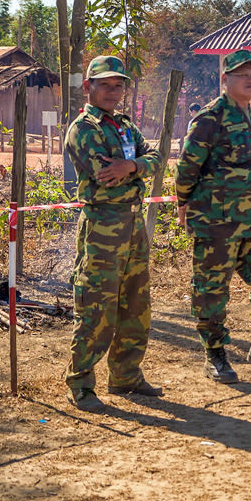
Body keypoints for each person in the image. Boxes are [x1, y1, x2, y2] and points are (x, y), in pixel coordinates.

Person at [176, 49, 251, 383]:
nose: (250, 80)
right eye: (242, 74)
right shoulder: (211, 118)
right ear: (224, 79)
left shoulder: (248, 117)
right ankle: (214, 355)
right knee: (212, 292)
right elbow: (188, 166)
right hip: (217, 224)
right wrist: (183, 204)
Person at [63, 56, 164, 412]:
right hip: (102, 226)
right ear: (88, 86)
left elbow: (155, 157)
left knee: (135, 304)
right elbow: (102, 172)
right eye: (104, 84)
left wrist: (132, 165)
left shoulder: (124, 126)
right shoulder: (83, 127)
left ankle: (125, 376)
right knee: (96, 307)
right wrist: (132, 168)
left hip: (134, 225)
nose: (112, 91)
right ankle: (81, 383)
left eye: (118, 85)